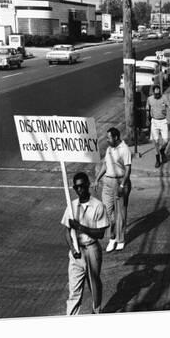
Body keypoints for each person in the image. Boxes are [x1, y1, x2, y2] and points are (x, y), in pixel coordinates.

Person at [61, 172, 109, 315]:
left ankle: (96, 310)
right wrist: (72, 248)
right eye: (76, 187)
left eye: (82, 186)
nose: (79, 189)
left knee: (94, 283)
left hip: (92, 250)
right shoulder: (71, 206)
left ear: (88, 185)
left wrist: (80, 227)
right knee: (74, 291)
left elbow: (100, 234)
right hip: (76, 252)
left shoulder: (98, 206)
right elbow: (67, 231)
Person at [93, 127, 132, 252]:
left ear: (116, 137)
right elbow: (105, 164)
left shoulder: (124, 150)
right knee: (107, 211)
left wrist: (122, 186)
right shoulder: (109, 149)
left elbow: (128, 169)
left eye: (109, 138)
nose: (107, 140)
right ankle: (112, 237)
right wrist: (97, 179)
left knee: (120, 212)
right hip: (107, 182)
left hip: (120, 181)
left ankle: (120, 239)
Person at [146, 84, 170, 168]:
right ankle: (158, 160)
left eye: (158, 92)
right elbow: (147, 109)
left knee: (165, 141)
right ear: (153, 92)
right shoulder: (150, 99)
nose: (157, 94)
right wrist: (148, 119)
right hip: (154, 122)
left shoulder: (164, 98)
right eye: (156, 93)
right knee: (156, 142)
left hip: (163, 121)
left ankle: (162, 150)